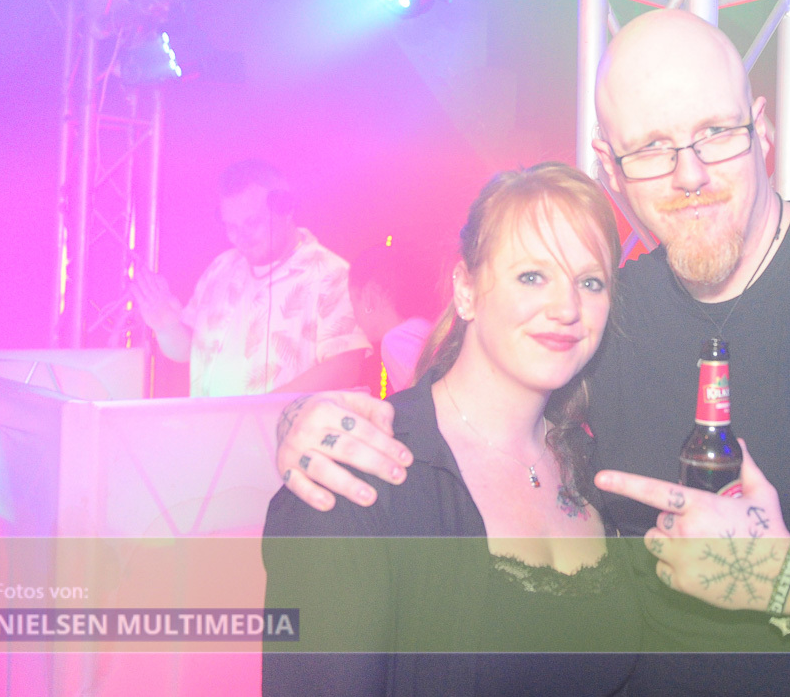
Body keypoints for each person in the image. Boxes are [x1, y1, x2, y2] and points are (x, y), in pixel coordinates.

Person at [271, 11, 790, 695]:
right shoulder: (603, 315)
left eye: (716, 133)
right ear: (612, 167)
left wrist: (784, 577)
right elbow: (479, 404)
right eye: (653, 147)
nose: (690, 172)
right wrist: (307, 421)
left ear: (762, 128)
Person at [262, 163, 639, 696]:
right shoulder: (358, 475)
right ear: (466, 289)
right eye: (533, 276)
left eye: (590, 282)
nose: (566, 308)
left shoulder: (594, 463)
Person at [132, 159, 370, 397]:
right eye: (232, 227)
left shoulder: (331, 274)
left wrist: (258, 411)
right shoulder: (220, 269)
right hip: (216, 423)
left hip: (285, 423)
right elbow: (186, 352)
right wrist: (166, 326)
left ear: (286, 210)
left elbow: (345, 369)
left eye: (252, 223)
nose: (241, 237)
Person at [348, 242, 434, 396]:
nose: (355, 317)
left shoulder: (397, 340)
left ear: (368, 296)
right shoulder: (421, 328)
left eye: (353, 302)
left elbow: (423, 401)